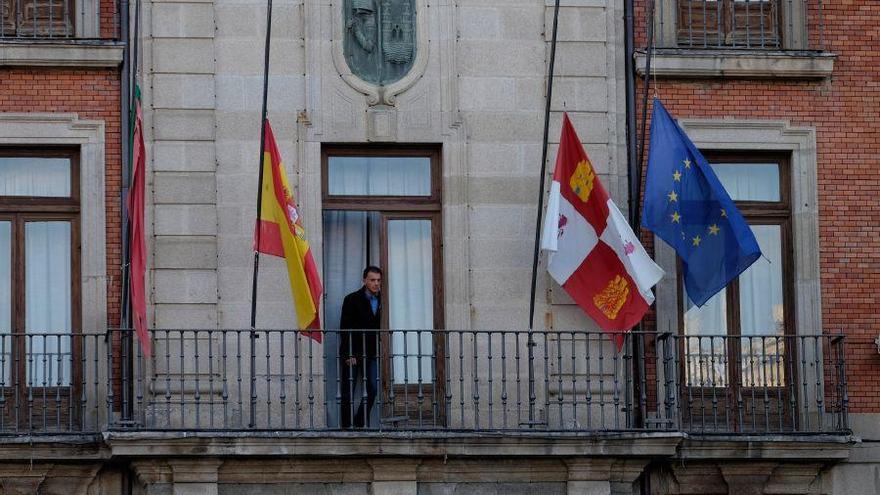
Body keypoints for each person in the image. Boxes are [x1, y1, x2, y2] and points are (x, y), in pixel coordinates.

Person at [339, 266, 382, 428]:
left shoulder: (383, 300)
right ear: (364, 280)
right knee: (348, 391)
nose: (376, 283)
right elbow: (345, 328)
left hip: (371, 353)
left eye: (378, 280)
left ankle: (358, 422)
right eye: (372, 280)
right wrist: (348, 354)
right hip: (354, 352)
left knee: (373, 389)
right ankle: (345, 427)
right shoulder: (351, 299)